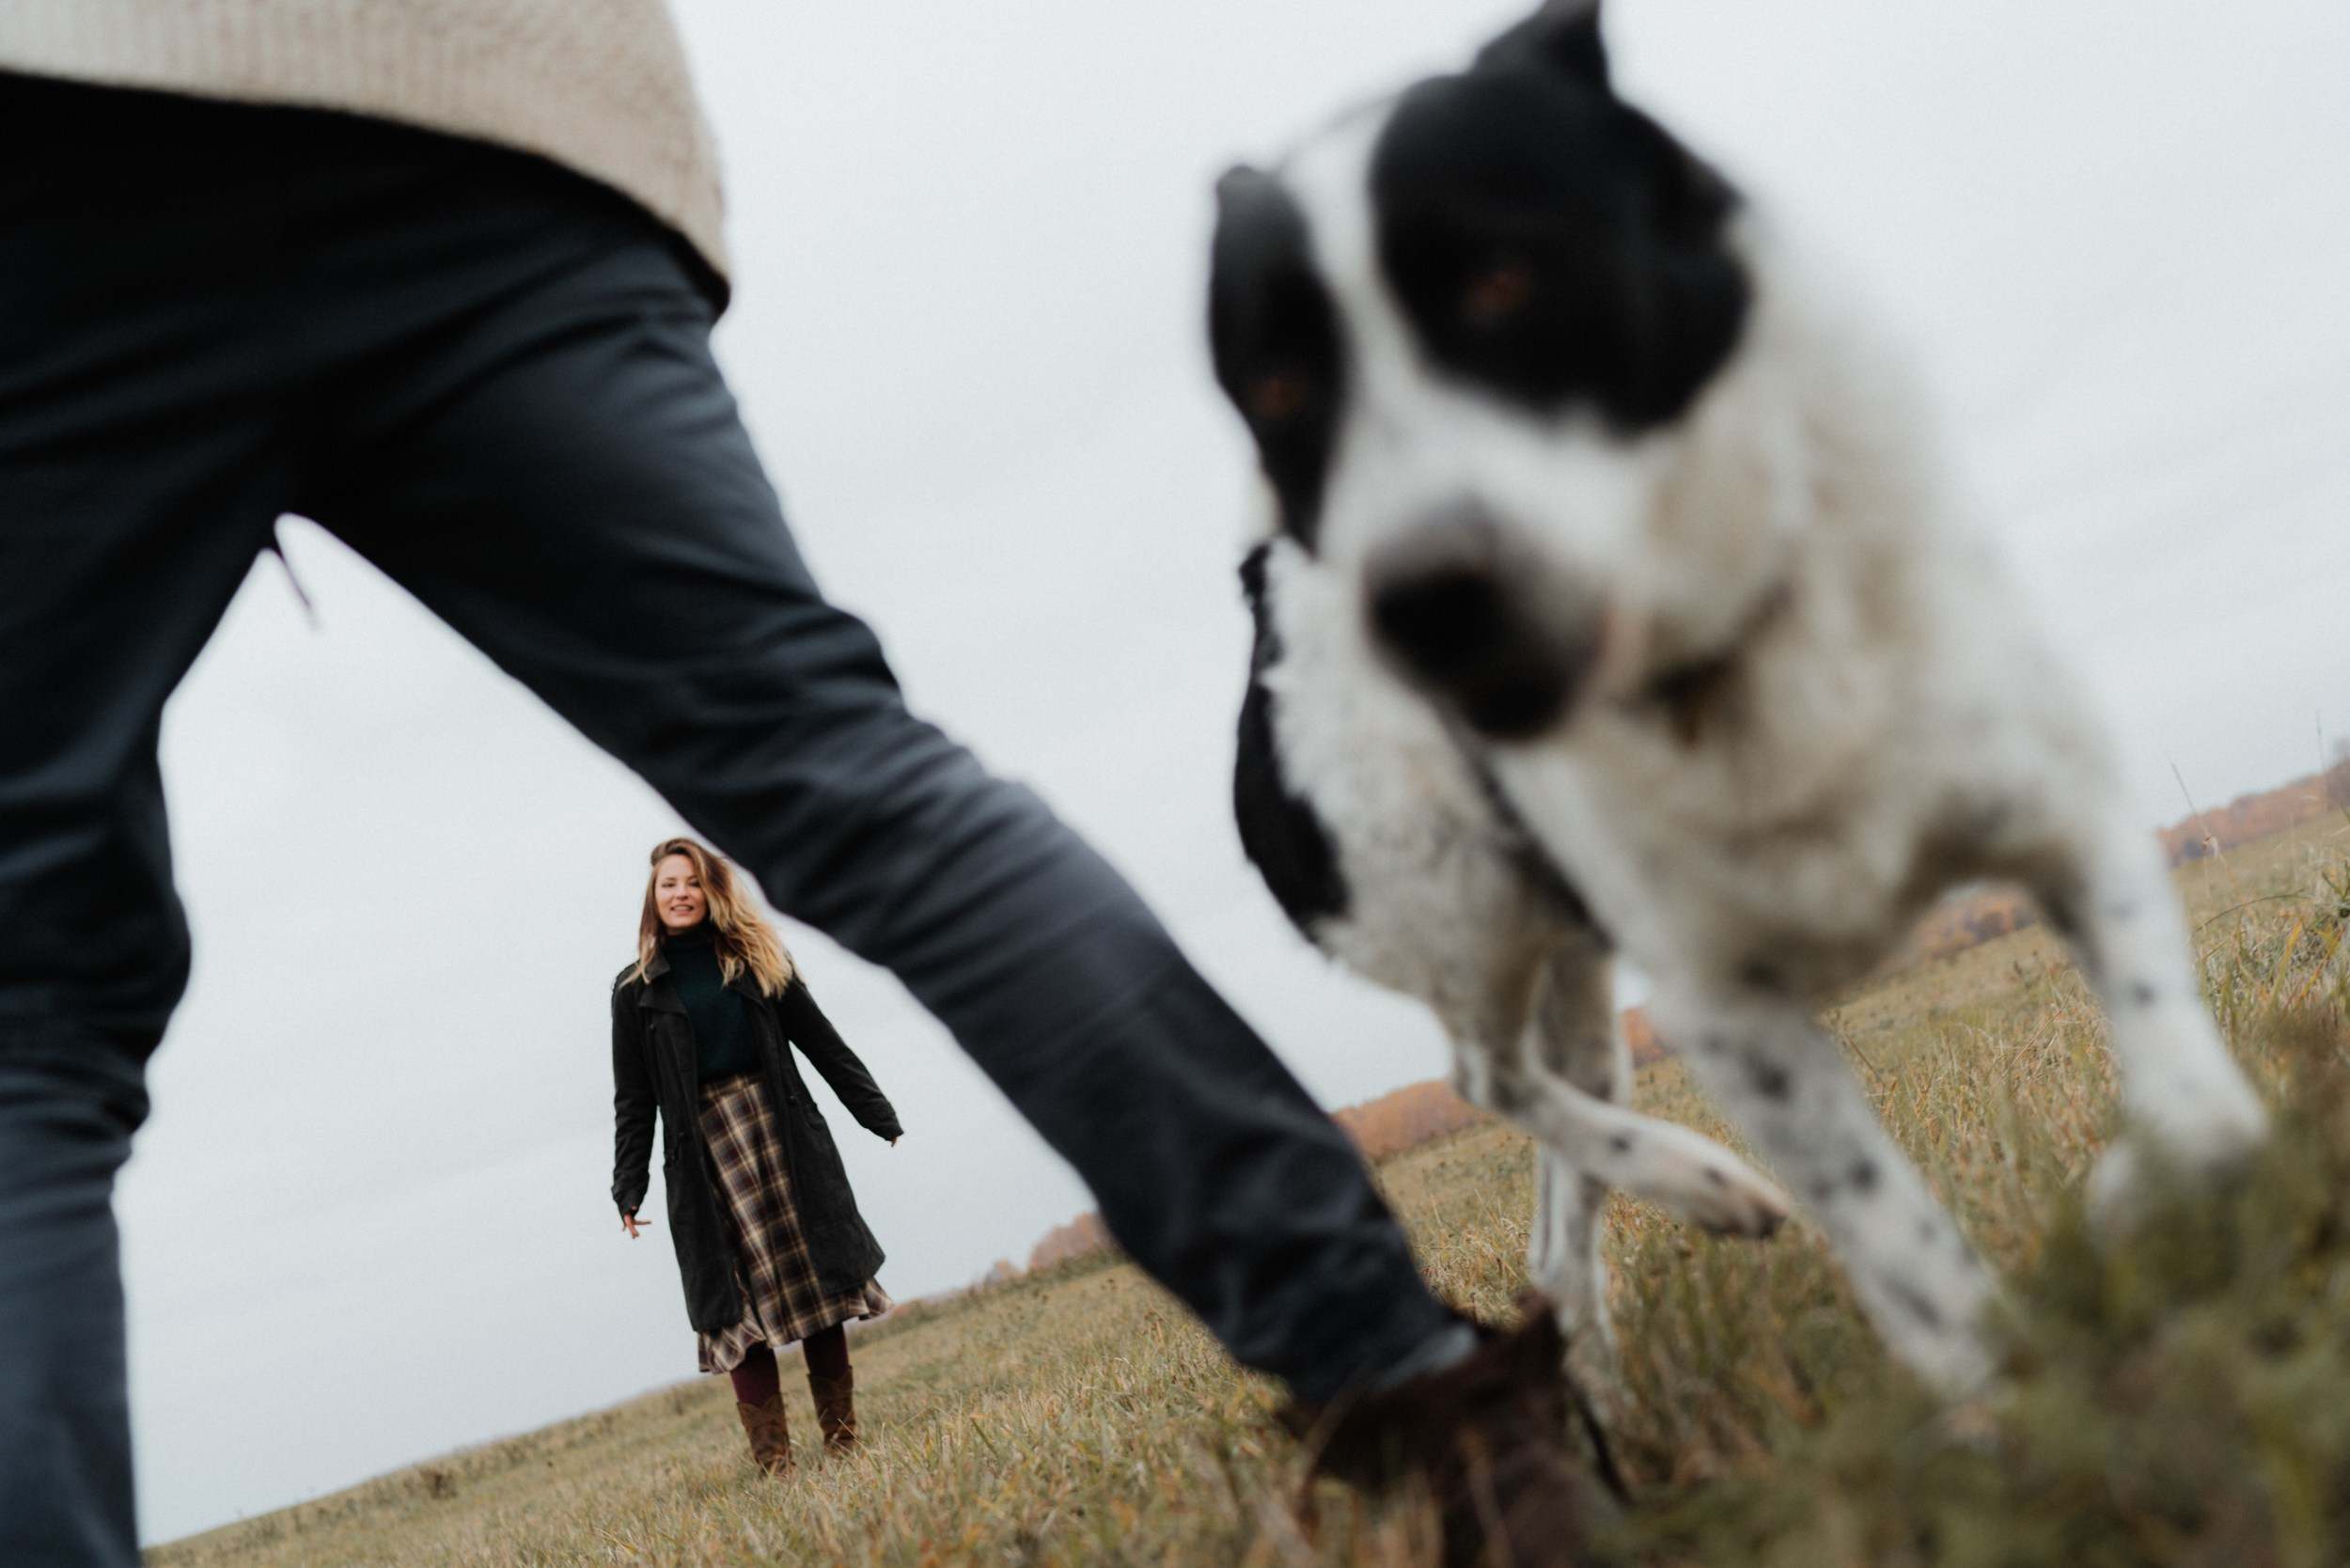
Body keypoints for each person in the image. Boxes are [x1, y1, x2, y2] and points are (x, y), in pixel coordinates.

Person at [0, 8, 1602, 1565]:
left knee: (23, 1029)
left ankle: (1388, 1358)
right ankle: (1410, 1377)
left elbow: (805, 1031)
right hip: (495, 121)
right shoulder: (644, 982)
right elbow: (643, 1083)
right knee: (861, 783)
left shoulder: (728, 963)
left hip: (74, 137)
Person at [614, 838, 901, 1475]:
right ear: (653, 898)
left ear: (711, 891)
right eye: (669, 884)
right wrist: (627, 1186)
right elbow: (634, 1099)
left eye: (691, 882)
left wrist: (875, 1112)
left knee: (818, 1284)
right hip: (705, 1158)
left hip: (781, 1135)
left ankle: (844, 1441)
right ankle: (776, 1464)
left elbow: (823, 1042)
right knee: (735, 1309)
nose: (681, 893)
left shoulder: (758, 960)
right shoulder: (634, 992)